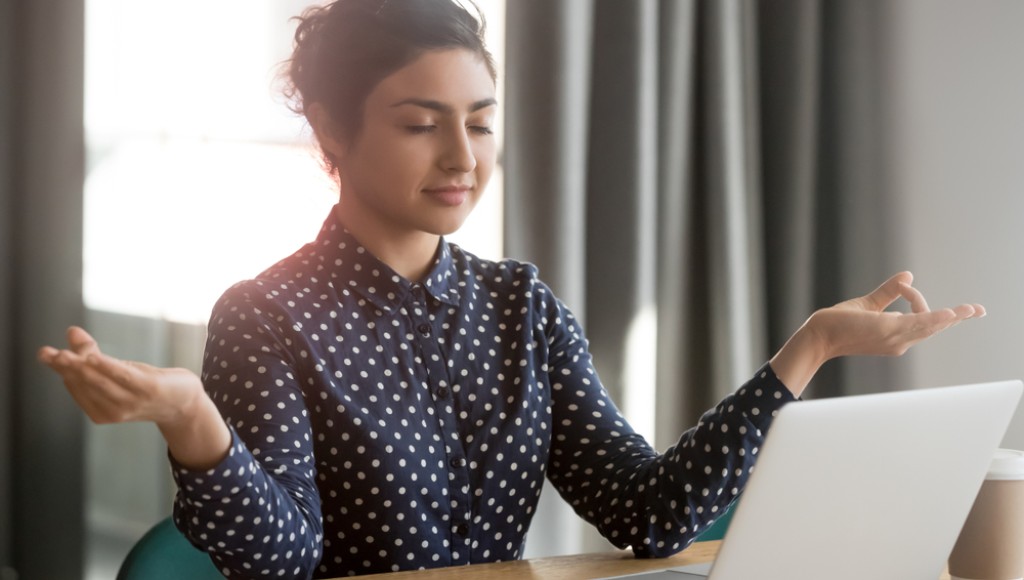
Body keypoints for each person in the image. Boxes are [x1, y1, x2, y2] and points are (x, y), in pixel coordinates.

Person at [38, 0, 985, 578]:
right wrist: (194, 421)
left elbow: (648, 512)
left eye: (482, 122)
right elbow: (281, 564)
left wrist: (808, 350)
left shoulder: (519, 305)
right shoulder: (268, 316)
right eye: (422, 124)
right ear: (330, 129)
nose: (463, 156)